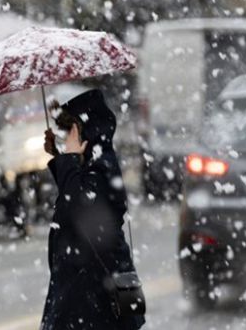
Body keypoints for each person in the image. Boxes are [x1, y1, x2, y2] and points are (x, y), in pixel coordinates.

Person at [40, 89, 145, 330]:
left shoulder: (101, 166)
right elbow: (76, 200)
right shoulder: (95, 164)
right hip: (88, 300)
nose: (64, 138)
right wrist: (61, 158)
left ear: (82, 130)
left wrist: (67, 160)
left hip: (92, 304)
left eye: (67, 132)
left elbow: (80, 207)